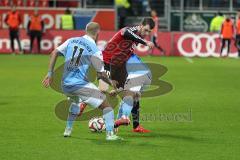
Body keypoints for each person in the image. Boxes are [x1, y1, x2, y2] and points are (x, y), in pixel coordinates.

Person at [42, 22, 122, 141]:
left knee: (75, 103)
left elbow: (54, 53)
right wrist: (112, 83)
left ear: (86, 30)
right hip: (79, 85)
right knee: (107, 107)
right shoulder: (95, 50)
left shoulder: (71, 40)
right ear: (98, 33)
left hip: (65, 84)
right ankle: (110, 135)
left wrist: (50, 74)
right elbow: (101, 74)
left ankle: (67, 131)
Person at [101, 18, 155, 132]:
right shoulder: (132, 31)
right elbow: (125, 32)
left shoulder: (132, 42)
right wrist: (145, 42)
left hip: (119, 65)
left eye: (149, 32)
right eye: (145, 30)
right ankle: (123, 118)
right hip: (110, 64)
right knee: (132, 91)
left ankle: (133, 125)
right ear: (140, 25)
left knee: (134, 95)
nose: (146, 34)